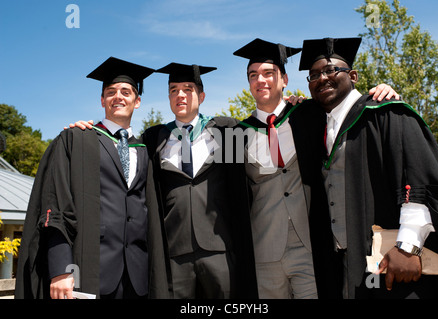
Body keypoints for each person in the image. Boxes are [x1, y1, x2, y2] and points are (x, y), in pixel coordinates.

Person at [232, 38, 400, 299]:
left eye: (268, 73)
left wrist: (379, 91)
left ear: (284, 79)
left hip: (312, 248)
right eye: (253, 75)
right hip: (263, 253)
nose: (260, 80)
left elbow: (348, 104)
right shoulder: (236, 133)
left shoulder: (310, 114)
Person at [298, 37, 438, 299]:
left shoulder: (386, 113)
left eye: (331, 70)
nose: (322, 78)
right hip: (343, 263)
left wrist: (408, 247)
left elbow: (417, 175)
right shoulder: (318, 126)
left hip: (393, 260)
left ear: (353, 75)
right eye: (314, 75)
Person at [15, 57, 171, 299]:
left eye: (126, 91)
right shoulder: (77, 140)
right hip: (89, 274)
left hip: (138, 279)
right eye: (111, 92)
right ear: (102, 100)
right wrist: (61, 269)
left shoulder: (146, 149)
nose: (118, 96)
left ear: (137, 101)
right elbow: (55, 204)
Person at [141, 63, 257, 299]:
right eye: (173, 90)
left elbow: (240, 186)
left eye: (187, 89)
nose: (180, 95)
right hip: (175, 252)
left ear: (201, 96)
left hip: (220, 248)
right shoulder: (155, 138)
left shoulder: (226, 130)